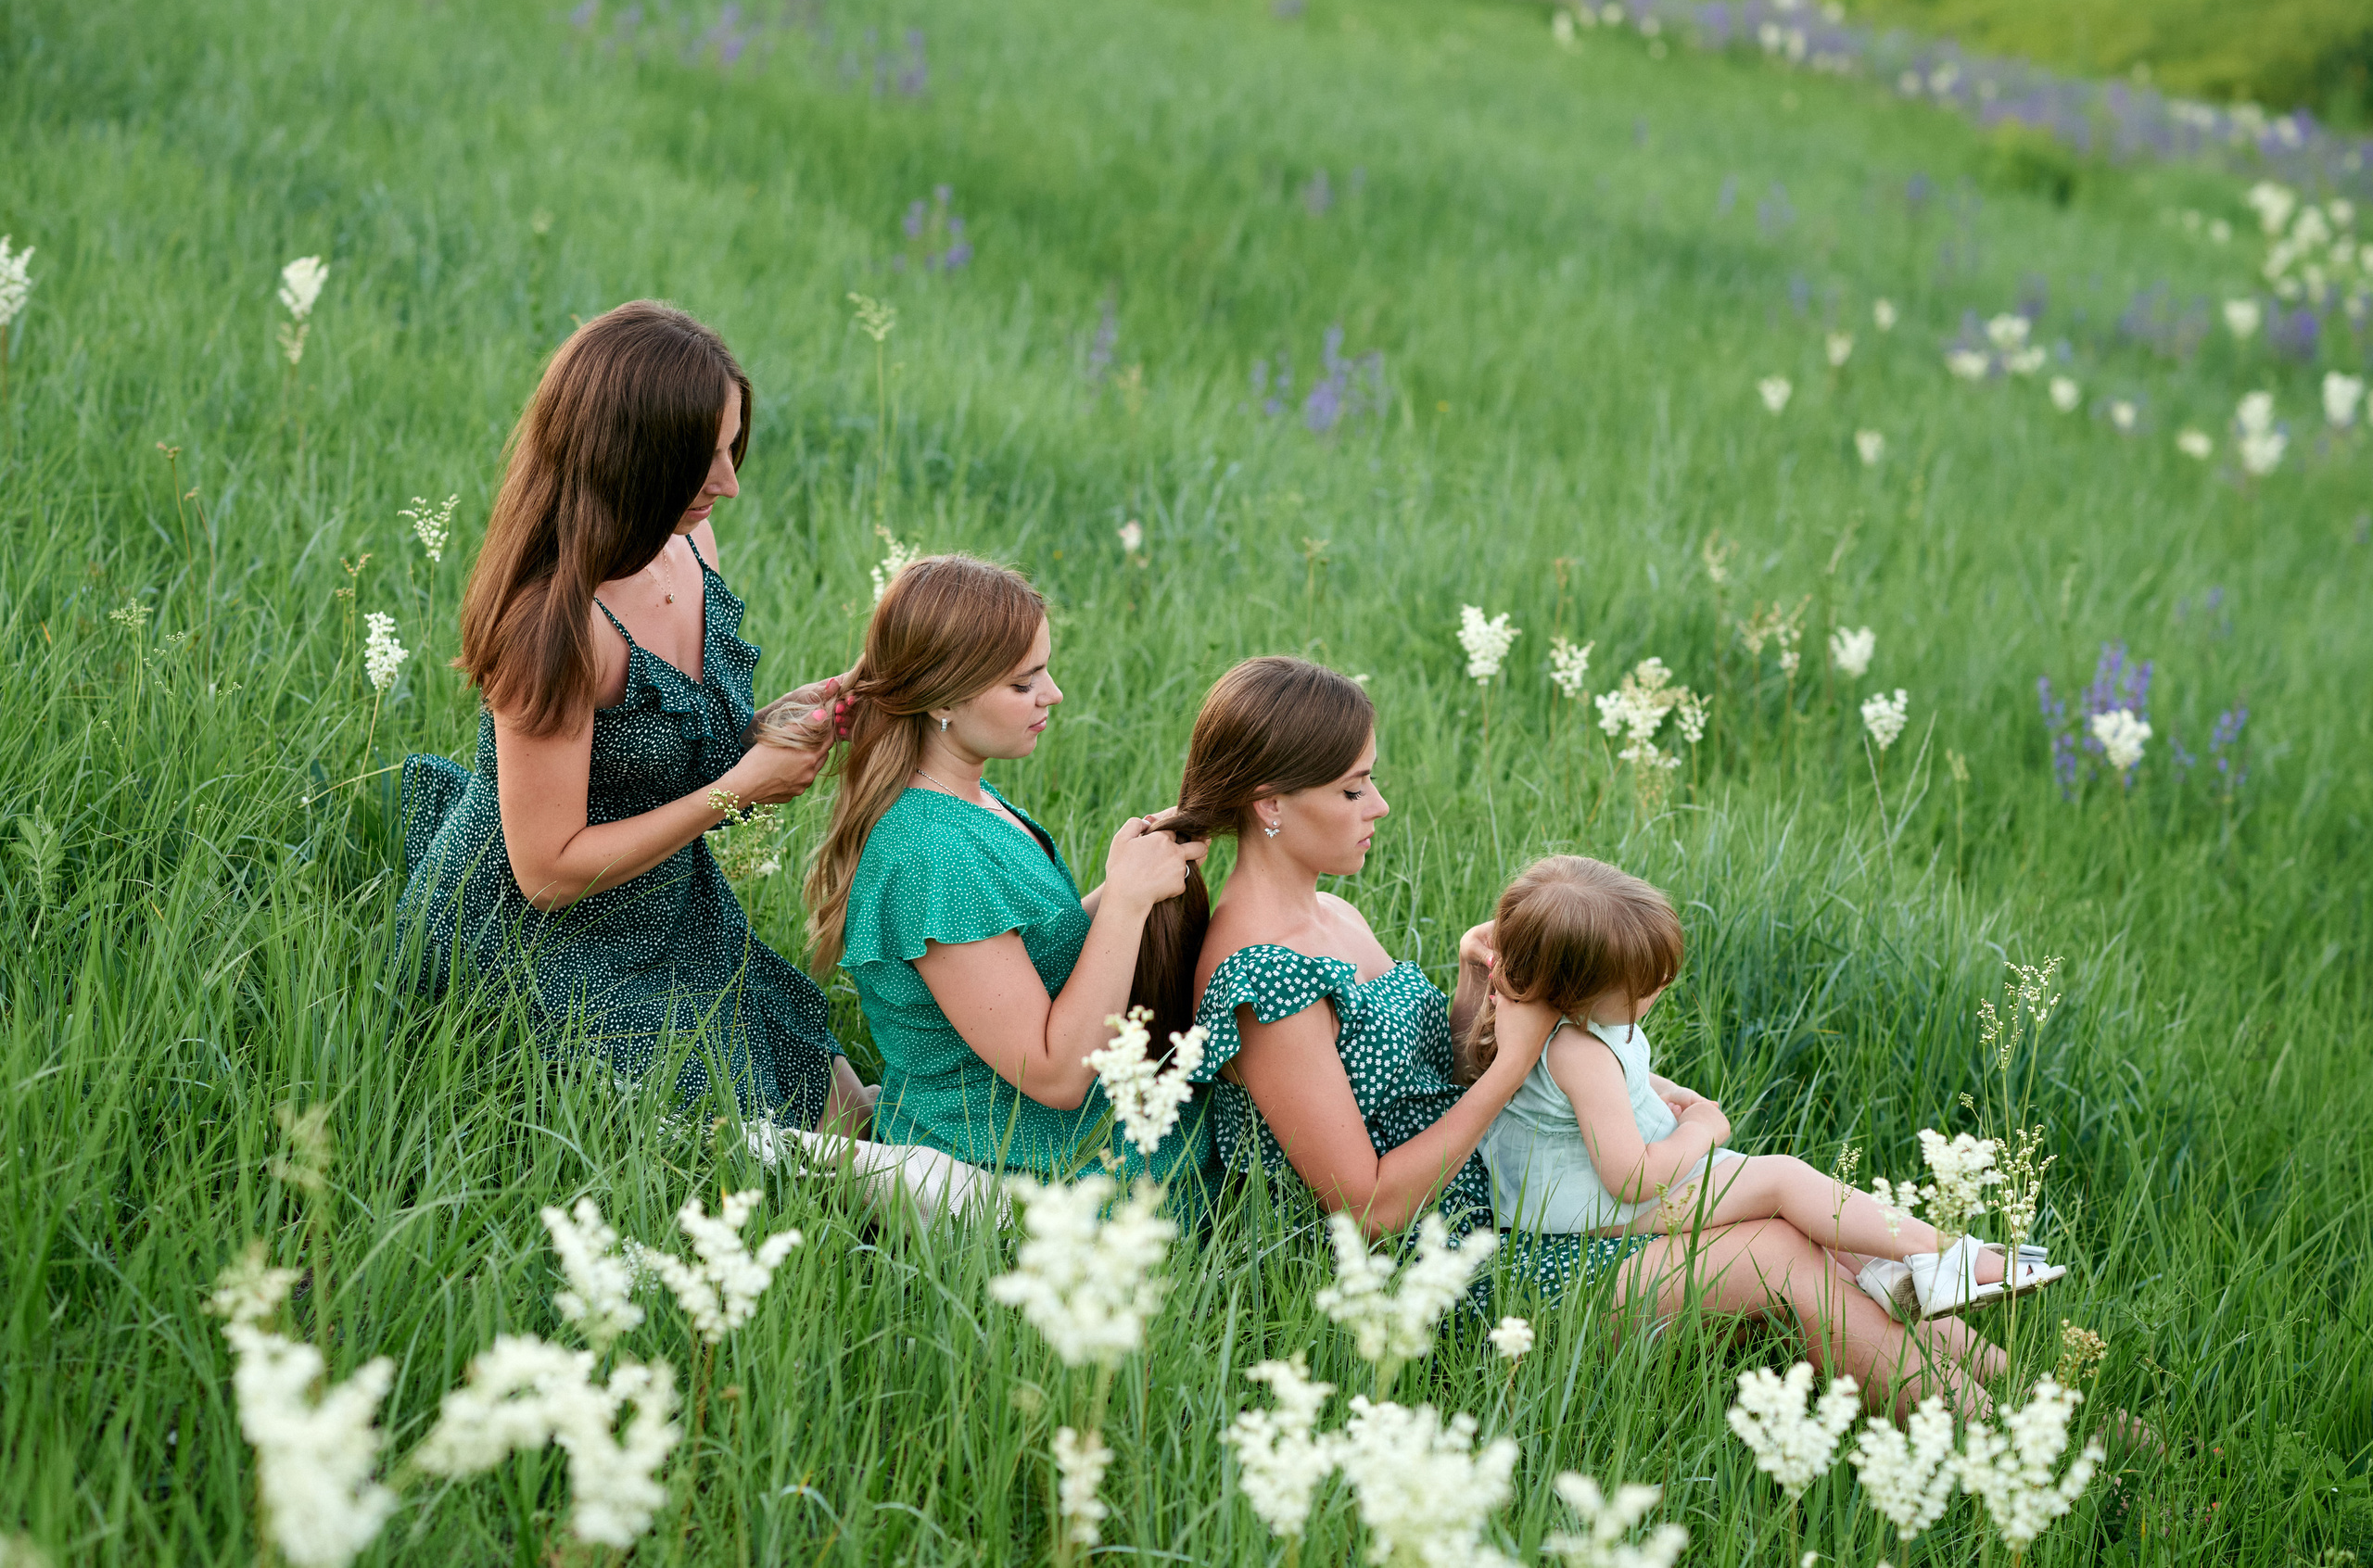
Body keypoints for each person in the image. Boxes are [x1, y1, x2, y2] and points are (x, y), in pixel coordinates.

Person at [1145, 654, 2013, 1415]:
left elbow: (1423, 1081)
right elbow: (1369, 1208)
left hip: (1516, 1206)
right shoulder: (1263, 979)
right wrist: (1514, 1062)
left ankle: (2009, 1386)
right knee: (1773, 1250)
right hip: (1451, 1279)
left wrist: (1475, 988)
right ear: (1270, 804)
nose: (1379, 803)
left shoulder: (1332, 915)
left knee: (1803, 1225)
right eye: (1351, 787)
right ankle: (1991, 1439)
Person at [396, 300, 869, 1132]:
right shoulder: (553, 626)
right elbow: (547, 873)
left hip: (667, 904)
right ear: (630, 459)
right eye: (701, 462)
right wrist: (736, 793)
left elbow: (669, 736)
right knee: (770, 1142)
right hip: (541, 942)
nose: (728, 484)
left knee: (843, 1104)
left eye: (730, 449)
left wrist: (775, 723)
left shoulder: (688, 543)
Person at [1462, 854, 2065, 1321]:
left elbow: (1605, 1086)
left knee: (1799, 1205)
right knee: (1783, 1180)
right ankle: (1957, 1257)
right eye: (1643, 986)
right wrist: (1702, 1127)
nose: (1660, 989)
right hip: (1606, 1209)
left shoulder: (1546, 1020)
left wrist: (1662, 1089)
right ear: (1578, 989)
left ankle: (1893, 1272)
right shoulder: (1580, 1051)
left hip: (1590, 1200)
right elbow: (1633, 1178)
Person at [802, 553, 1213, 1201]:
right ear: (942, 697)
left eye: (1044, 670)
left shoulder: (969, 799)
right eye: (1023, 684)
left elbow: (1031, 948)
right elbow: (1053, 1075)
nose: (1052, 694)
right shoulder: (931, 853)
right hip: (1014, 1164)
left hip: (1046, 1135)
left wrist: (1128, 879)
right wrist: (1128, 903)